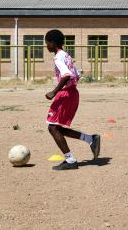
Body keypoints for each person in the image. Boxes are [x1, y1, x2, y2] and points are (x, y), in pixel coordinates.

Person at [44, 29, 100, 170]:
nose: (46, 46)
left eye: (47, 42)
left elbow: (67, 74)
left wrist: (54, 91)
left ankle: (70, 160)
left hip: (66, 94)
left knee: (52, 127)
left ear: (52, 42)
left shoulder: (58, 57)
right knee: (57, 128)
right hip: (72, 93)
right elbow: (76, 74)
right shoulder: (66, 55)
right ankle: (90, 139)